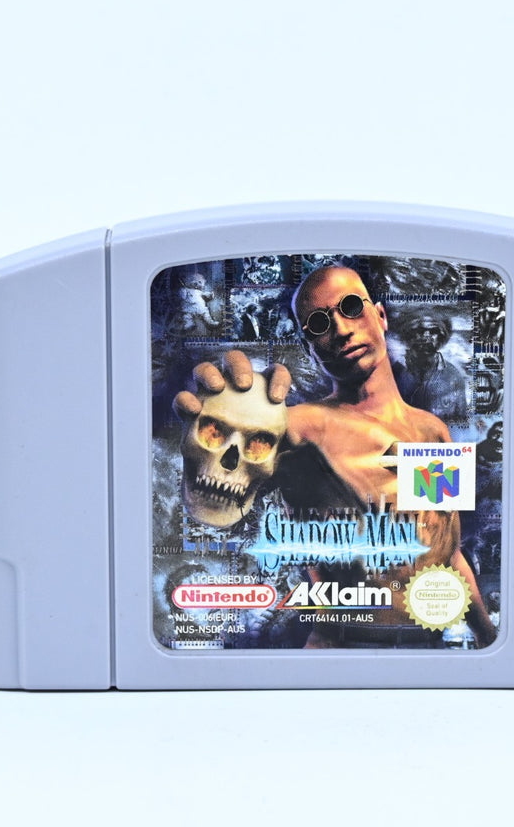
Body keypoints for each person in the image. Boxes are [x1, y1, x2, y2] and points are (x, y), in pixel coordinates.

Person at [174, 265, 496, 648]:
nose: (341, 329)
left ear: (380, 316)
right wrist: (213, 426)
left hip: (427, 649)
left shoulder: (431, 431)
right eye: (319, 324)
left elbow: (448, 553)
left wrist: (489, 637)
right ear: (310, 348)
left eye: (351, 307)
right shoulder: (301, 426)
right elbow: (216, 495)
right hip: (343, 648)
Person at [390, 310, 469, 421]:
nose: (426, 336)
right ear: (409, 336)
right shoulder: (393, 374)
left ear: (441, 337)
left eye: (433, 331)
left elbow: (461, 420)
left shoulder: (453, 376)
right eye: (420, 331)